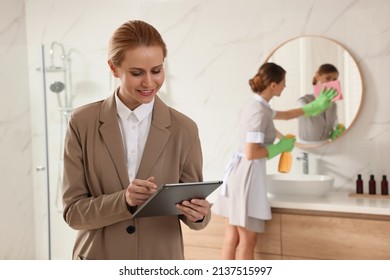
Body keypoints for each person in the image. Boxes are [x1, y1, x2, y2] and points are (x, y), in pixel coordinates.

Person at [61, 20, 211, 260]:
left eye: (157, 70)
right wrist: (124, 200)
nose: (149, 83)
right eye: (136, 73)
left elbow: (193, 209)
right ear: (113, 68)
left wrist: (199, 214)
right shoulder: (82, 122)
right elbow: (73, 213)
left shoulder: (185, 129)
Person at [211, 62, 336, 260]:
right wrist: (279, 148)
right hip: (247, 178)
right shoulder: (259, 111)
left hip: (239, 174)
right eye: (284, 83)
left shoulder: (259, 105)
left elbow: (285, 115)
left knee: (232, 236)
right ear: (273, 85)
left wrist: (313, 107)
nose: (285, 87)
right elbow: (252, 152)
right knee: (247, 240)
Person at [297, 63, 345, 143]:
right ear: (318, 77)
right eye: (328, 78)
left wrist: (337, 130)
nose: (331, 82)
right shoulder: (303, 100)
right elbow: (304, 112)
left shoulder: (333, 105)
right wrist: (318, 104)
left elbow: (334, 125)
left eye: (334, 80)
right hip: (306, 146)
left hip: (326, 146)